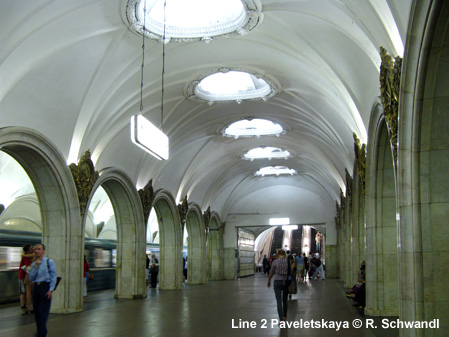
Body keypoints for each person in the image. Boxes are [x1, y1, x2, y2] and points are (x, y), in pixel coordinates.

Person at [28, 243, 57, 337]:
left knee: (43, 312)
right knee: (37, 312)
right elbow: (31, 278)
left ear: (43, 251)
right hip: (36, 287)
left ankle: (40, 334)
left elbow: (54, 276)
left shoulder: (49, 262)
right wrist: (35, 267)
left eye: (39, 249)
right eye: (35, 249)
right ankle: (42, 332)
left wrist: (51, 290)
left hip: (45, 287)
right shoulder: (33, 264)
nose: (36, 251)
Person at [267, 249, 289, 323]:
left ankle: (281, 320)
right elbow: (291, 271)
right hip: (285, 281)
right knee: (285, 300)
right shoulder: (287, 261)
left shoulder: (275, 262)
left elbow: (271, 272)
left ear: (278, 254)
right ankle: (285, 315)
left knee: (279, 301)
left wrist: (269, 280)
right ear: (284, 254)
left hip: (277, 281)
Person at [19, 244, 34, 314]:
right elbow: (29, 265)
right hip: (23, 276)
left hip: (28, 276)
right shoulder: (25, 256)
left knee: (27, 291)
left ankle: (27, 307)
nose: (33, 249)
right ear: (28, 250)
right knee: (23, 292)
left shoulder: (27, 255)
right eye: (31, 248)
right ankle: (24, 307)